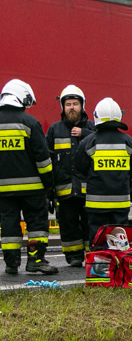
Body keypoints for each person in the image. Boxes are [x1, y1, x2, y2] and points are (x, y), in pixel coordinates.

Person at [0, 79, 58, 275]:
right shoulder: (30, 123)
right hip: (33, 190)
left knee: (8, 225)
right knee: (37, 225)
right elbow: (43, 159)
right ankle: (36, 261)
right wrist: (49, 185)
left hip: (3, 191)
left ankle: (11, 263)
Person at [75, 98, 132, 244]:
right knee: (120, 242)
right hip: (121, 204)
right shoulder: (128, 142)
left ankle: (99, 265)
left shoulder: (89, 142)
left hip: (96, 204)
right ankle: (117, 266)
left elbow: (79, 168)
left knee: (98, 241)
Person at [47, 85, 96, 266]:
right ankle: (74, 257)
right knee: (68, 225)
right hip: (65, 191)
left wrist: (85, 134)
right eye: (68, 104)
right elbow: (47, 159)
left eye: (75, 104)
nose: (72, 107)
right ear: (63, 107)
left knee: (89, 224)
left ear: (82, 106)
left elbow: (104, 140)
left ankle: (91, 255)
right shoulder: (54, 130)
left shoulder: (92, 128)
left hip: (88, 190)